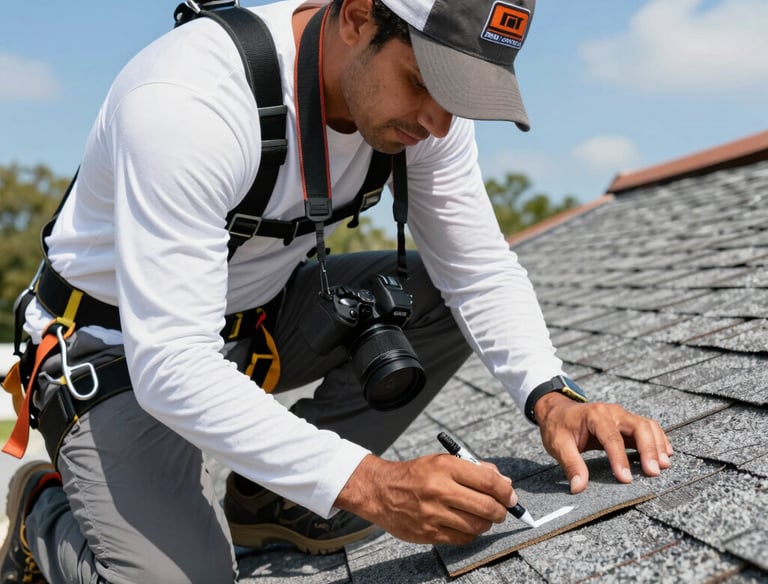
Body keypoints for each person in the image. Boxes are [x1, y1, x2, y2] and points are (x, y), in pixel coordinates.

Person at [0, 0, 673, 582]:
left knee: (437, 293)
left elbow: (477, 269)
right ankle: (42, 514)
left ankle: (268, 499)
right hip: (115, 351)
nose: (439, 122)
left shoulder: (424, 114)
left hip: (255, 322)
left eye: (459, 95)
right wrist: (370, 484)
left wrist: (551, 397)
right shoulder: (189, 101)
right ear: (356, 17)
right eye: (423, 82)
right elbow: (171, 363)